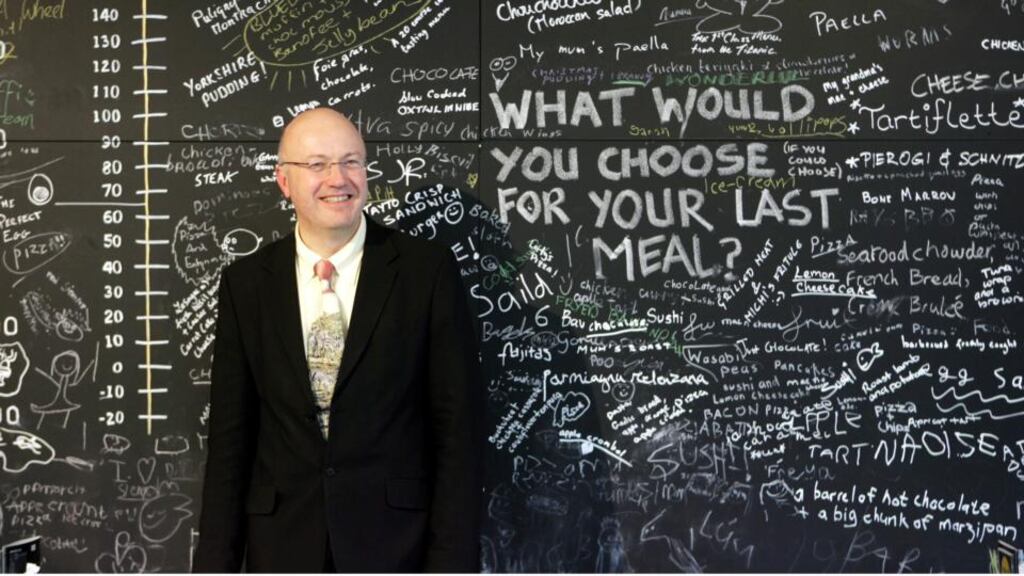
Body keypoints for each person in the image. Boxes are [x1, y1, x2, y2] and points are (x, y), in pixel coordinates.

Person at [194, 107, 482, 572]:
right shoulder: (246, 284)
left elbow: (458, 433)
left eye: (351, 161)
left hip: (396, 547)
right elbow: (231, 441)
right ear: (283, 181)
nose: (339, 178)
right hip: (280, 549)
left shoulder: (425, 272)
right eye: (317, 165)